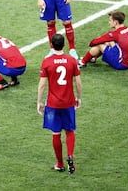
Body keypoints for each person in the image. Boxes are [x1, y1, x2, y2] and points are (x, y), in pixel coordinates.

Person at [37, 33, 82, 174]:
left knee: (56, 133)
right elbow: (78, 82)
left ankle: (60, 164)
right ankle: (70, 155)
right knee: (70, 130)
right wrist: (79, 98)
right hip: (68, 102)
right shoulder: (71, 61)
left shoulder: (47, 62)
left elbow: (42, 85)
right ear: (64, 45)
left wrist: (39, 101)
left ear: (51, 45)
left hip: (53, 104)